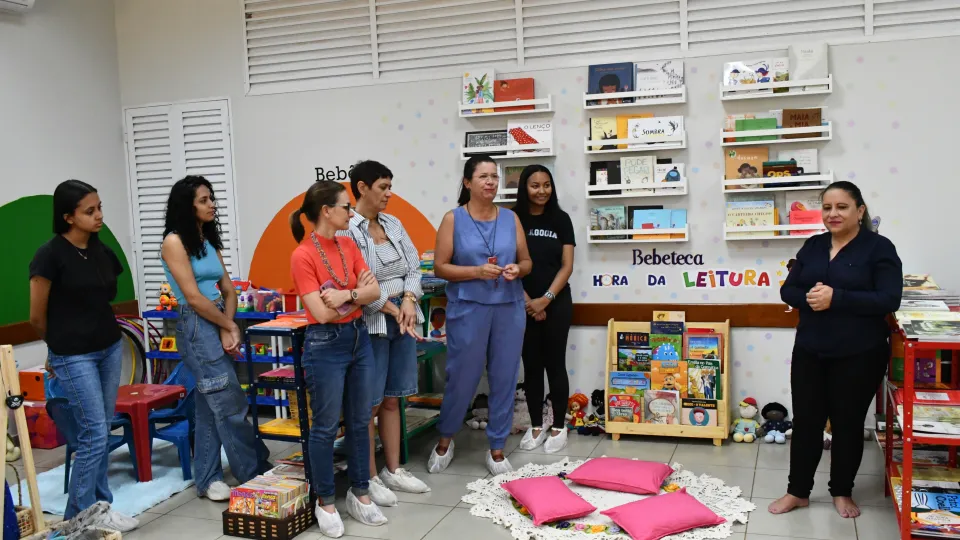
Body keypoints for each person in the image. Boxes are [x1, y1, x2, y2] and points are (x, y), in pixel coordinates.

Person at [771, 181, 902, 518]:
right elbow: (789, 290)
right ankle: (797, 491)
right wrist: (812, 299)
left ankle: (842, 492)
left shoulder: (879, 248)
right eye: (827, 207)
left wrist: (836, 297)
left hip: (860, 353)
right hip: (811, 350)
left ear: (859, 211)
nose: (833, 214)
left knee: (846, 425)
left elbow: (889, 299)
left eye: (842, 207)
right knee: (806, 424)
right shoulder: (813, 245)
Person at [28, 180, 138, 531]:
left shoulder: (101, 251)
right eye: (90, 211)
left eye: (100, 208)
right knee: (92, 434)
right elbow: (35, 316)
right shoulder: (50, 255)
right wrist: (56, 347)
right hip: (73, 354)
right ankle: (76, 520)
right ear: (67, 217)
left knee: (101, 431)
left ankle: (101, 508)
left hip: (108, 347)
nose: (99, 216)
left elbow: (104, 299)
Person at [161, 176, 271, 502]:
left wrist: (228, 324)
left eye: (211, 199)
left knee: (210, 405)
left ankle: (207, 479)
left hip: (218, 317)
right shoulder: (174, 242)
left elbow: (229, 289)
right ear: (187, 205)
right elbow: (194, 298)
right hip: (196, 324)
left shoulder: (206, 240)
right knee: (230, 403)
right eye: (203, 200)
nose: (212, 205)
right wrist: (228, 326)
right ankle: (254, 471)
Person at [289, 180, 387, 537]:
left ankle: (360, 493)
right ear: (326, 211)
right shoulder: (303, 254)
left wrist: (345, 294)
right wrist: (356, 296)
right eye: (346, 206)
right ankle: (326, 499)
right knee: (326, 426)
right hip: (325, 344)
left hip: (359, 337)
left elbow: (375, 291)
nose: (351, 211)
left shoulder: (348, 243)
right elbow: (321, 312)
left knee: (361, 420)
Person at [427, 155, 532, 476]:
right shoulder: (452, 219)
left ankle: (497, 449)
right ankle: (445, 440)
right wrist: (476, 271)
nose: (491, 183)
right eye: (484, 177)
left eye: (495, 177)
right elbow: (440, 267)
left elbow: (527, 261)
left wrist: (518, 269)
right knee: (462, 377)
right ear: (467, 182)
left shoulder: (511, 219)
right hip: (468, 308)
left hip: (509, 308)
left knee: (505, 377)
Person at [339, 160, 431, 506]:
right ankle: (369, 476)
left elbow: (414, 268)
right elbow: (359, 283)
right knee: (369, 405)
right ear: (362, 188)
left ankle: (393, 469)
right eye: (382, 188)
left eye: (390, 187)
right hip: (371, 323)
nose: (389, 194)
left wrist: (408, 300)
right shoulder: (348, 230)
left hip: (403, 320)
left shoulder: (393, 223)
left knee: (394, 398)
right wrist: (390, 306)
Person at [511, 165, 575, 453]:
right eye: (535, 185)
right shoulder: (512, 219)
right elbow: (508, 263)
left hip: (557, 302)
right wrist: (528, 301)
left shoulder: (561, 219)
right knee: (532, 366)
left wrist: (545, 299)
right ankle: (536, 425)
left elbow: (567, 265)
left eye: (546, 185)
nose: (541, 191)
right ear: (525, 187)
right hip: (521, 302)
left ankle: (559, 426)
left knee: (555, 364)